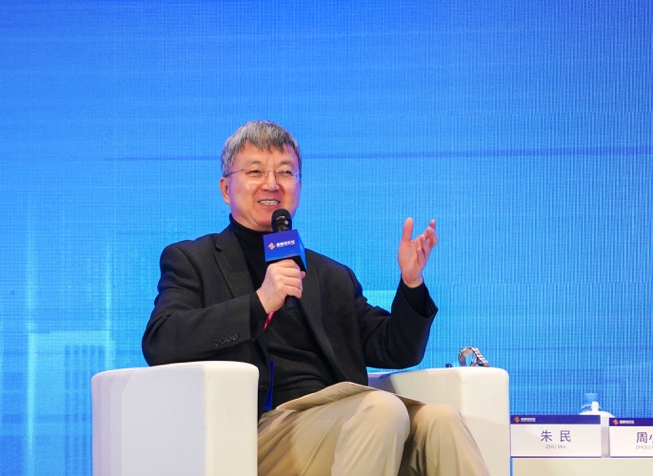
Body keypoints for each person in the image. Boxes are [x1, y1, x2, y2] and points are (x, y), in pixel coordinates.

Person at [142, 120, 488, 475]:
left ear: (299, 186)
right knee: (382, 409)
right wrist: (259, 302)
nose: (272, 184)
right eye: (255, 171)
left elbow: (397, 350)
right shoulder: (193, 260)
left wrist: (411, 283)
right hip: (255, 430)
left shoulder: (330, 275)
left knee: (441, 420)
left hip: (341, 415)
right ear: (226, 189)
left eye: (285, 172)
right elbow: (161, 341)